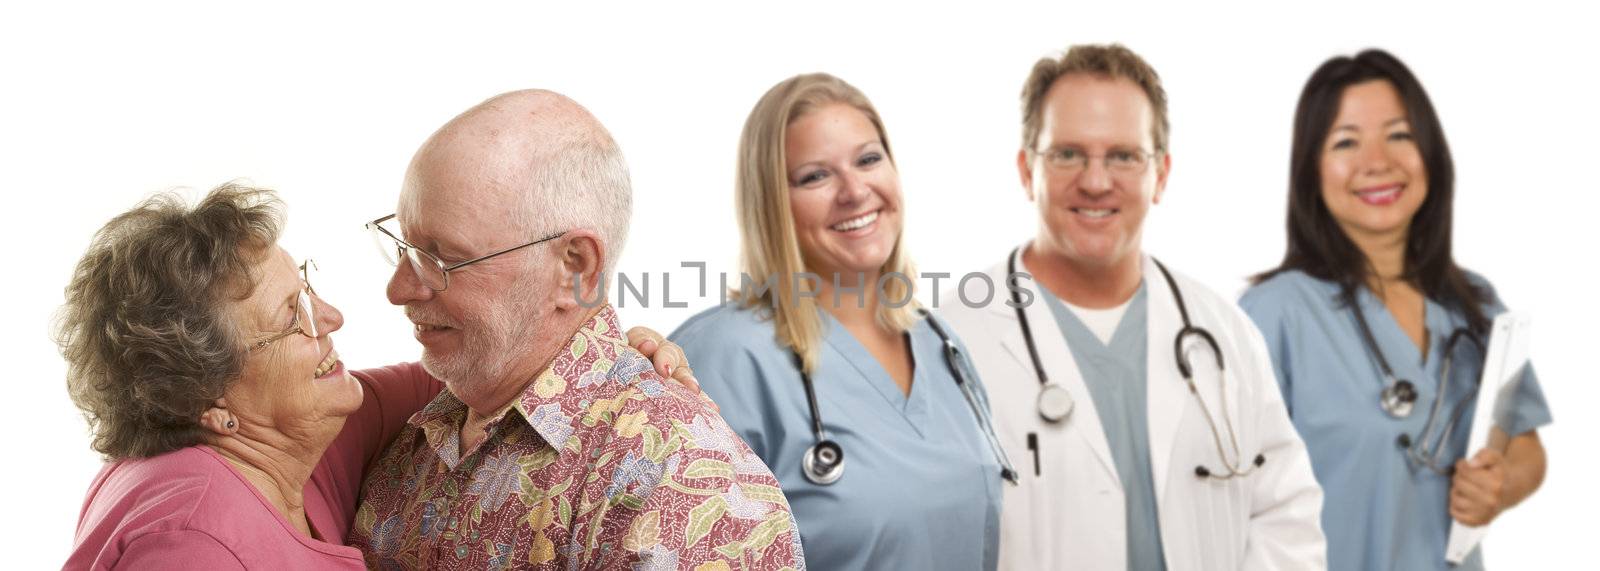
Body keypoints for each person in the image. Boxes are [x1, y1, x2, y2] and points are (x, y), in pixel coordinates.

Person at [58, 184, 693, 569]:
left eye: (306, 287)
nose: (331, 316)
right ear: (208, 398)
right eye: (294, 316)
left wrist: (607, 348)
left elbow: (485, 372)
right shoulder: (194, 544)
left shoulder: (306, 436)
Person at [349, 90, 805, 569]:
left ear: (575, 268)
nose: (398, 289)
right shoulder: (416, 435)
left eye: (442, 258)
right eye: (403, 245)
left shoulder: (679, 482)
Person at [937, 44, 1326, 569]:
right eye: (1067, 153)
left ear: (1160, 174)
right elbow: (928, 531)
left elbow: (1286, 517)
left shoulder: (1225, 333)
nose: (1096, 181)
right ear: (1027, 170)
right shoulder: (951, 340)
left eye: (1123, 155)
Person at [669, 73, 1013, 570]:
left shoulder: (941, 344)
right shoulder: (724, 358)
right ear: (772, 202)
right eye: (815, 176)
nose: (855, 191)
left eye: (869, 160)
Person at [1239, 49, 1550, 570]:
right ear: (1311, 169)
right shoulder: (1273, 315)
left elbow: (1527, 450)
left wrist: (1499, 486)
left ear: (1430, 150)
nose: (1377, 162)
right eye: (1346, 142)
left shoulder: (1475, 304)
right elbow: (1226, 496)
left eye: (1400, 135)